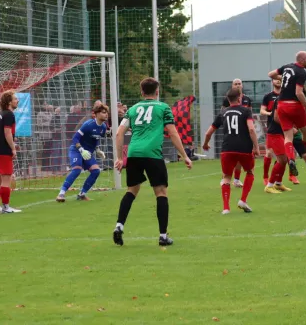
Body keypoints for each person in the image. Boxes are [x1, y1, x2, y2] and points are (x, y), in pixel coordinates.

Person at [113, 77, 192, 247]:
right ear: (157, 92)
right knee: (161, 193)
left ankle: (119, 226)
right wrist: (184, 155)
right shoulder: (163, 108)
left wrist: (120, 158)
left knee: (131, 191)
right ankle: (163, 236)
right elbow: (172, 133)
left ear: (141, 92)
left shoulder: (133, 109)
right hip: (153, 154)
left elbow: (119, 134)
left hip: (134, 154)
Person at [203, 87, 260, 214]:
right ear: (240, 98)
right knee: (250, 172)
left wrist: (206, 144)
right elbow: (251, 129)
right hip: (244, 148)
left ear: (227, 99)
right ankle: (243, 200)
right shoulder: (246, 111)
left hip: (227, 149)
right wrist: (256, 147)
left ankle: (226, 208)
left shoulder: (222, 113)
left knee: (226, 177)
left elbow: (209, 132)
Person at [267, 51, 306, 177]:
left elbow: (271, 74)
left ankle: (291, 159)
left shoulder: (286, 67)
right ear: (301, 60)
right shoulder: (301, 72)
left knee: (288, 137)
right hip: (294, 105)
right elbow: (299, 93)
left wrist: (283, 79)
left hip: (282, 105)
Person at [56, 104, 109, 202]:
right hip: (77, 150)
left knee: (96, 171)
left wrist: (97, 150)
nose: (106, 115)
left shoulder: (104, 127)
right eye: (103, 112)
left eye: (106, 113)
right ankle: (61, 194)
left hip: (88, 153)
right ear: (96, 114)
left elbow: (95, 139)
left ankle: (82, 194)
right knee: (77, 170)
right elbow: (75, 138)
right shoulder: (88, 124)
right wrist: (81, 150)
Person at [221, 78, 253, 188]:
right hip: (231, 131)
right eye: (236, 84)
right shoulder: (227, 100)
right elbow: (223, 114)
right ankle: (226, 177)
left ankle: (236, 179)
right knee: (230, 156)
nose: (238, 85)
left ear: (242, 86)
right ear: (232, 86)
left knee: (239, 157)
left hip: (243, 131)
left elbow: (250, 114)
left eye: (239, 84)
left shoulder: (247, 99)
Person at [0, 90, 21, 213]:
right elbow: (7, 132)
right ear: (9, 102)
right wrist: (13, 148)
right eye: (15, 98)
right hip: (3, 151)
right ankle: (6, 207)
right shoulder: (9, 115)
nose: (17, 100)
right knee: (6, 178)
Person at [260, 78, 281, 185]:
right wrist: (271, 114)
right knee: (269, 152)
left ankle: (279, 179)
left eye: (280, 79)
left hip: (284, 129)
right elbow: (262, 110)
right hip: (272, 128)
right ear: (272, 81)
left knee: (282, 155)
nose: (278, 81)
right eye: (276, 79)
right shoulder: (268, 96)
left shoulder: (286, 95)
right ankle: (265, 177)